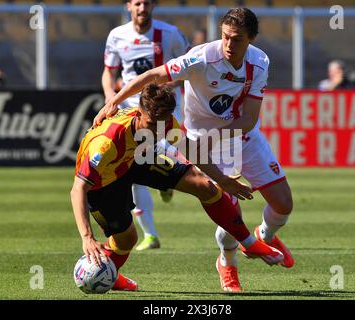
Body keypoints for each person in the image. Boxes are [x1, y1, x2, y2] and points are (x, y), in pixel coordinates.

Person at [93, 8, 295, 293]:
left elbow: (248, 119)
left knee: (284, 203)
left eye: (236, 39)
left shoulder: (259, 62)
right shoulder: (201, 57)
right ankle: (227, 263)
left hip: (242, 136)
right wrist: (115, 100)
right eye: (225, 36)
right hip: (201, 140)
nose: (228, 44)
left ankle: (265, 234)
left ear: (251, 39)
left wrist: (214, 138)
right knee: (228, 207)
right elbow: (154, 75)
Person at [71, 83, 283, 291]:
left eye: (161, 124)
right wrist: (87, 238)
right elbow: (78, 188)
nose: (157, 131)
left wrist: (223, 179)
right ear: (138, 113)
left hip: (136, 157)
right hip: (104, 182)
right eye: (151, 124)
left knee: (204, 185)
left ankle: (247, 241)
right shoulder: (105, 144)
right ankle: (110, 274)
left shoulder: (163, 122)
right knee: (127, 239)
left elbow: (189, 149)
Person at [102, 0, 190, 251]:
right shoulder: (117, 36)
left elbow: (192, 66)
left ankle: (167, 181)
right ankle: (150, 234)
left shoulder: (170, 34)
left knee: (168, 160)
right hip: (133, 113)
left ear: (154, 5)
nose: (142, 8)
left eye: (147, 3)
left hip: (164, 111)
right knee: (134, 169)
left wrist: (169, 86)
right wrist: (111, 98)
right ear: (129, 5)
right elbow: (109, 71)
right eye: (137, 3)